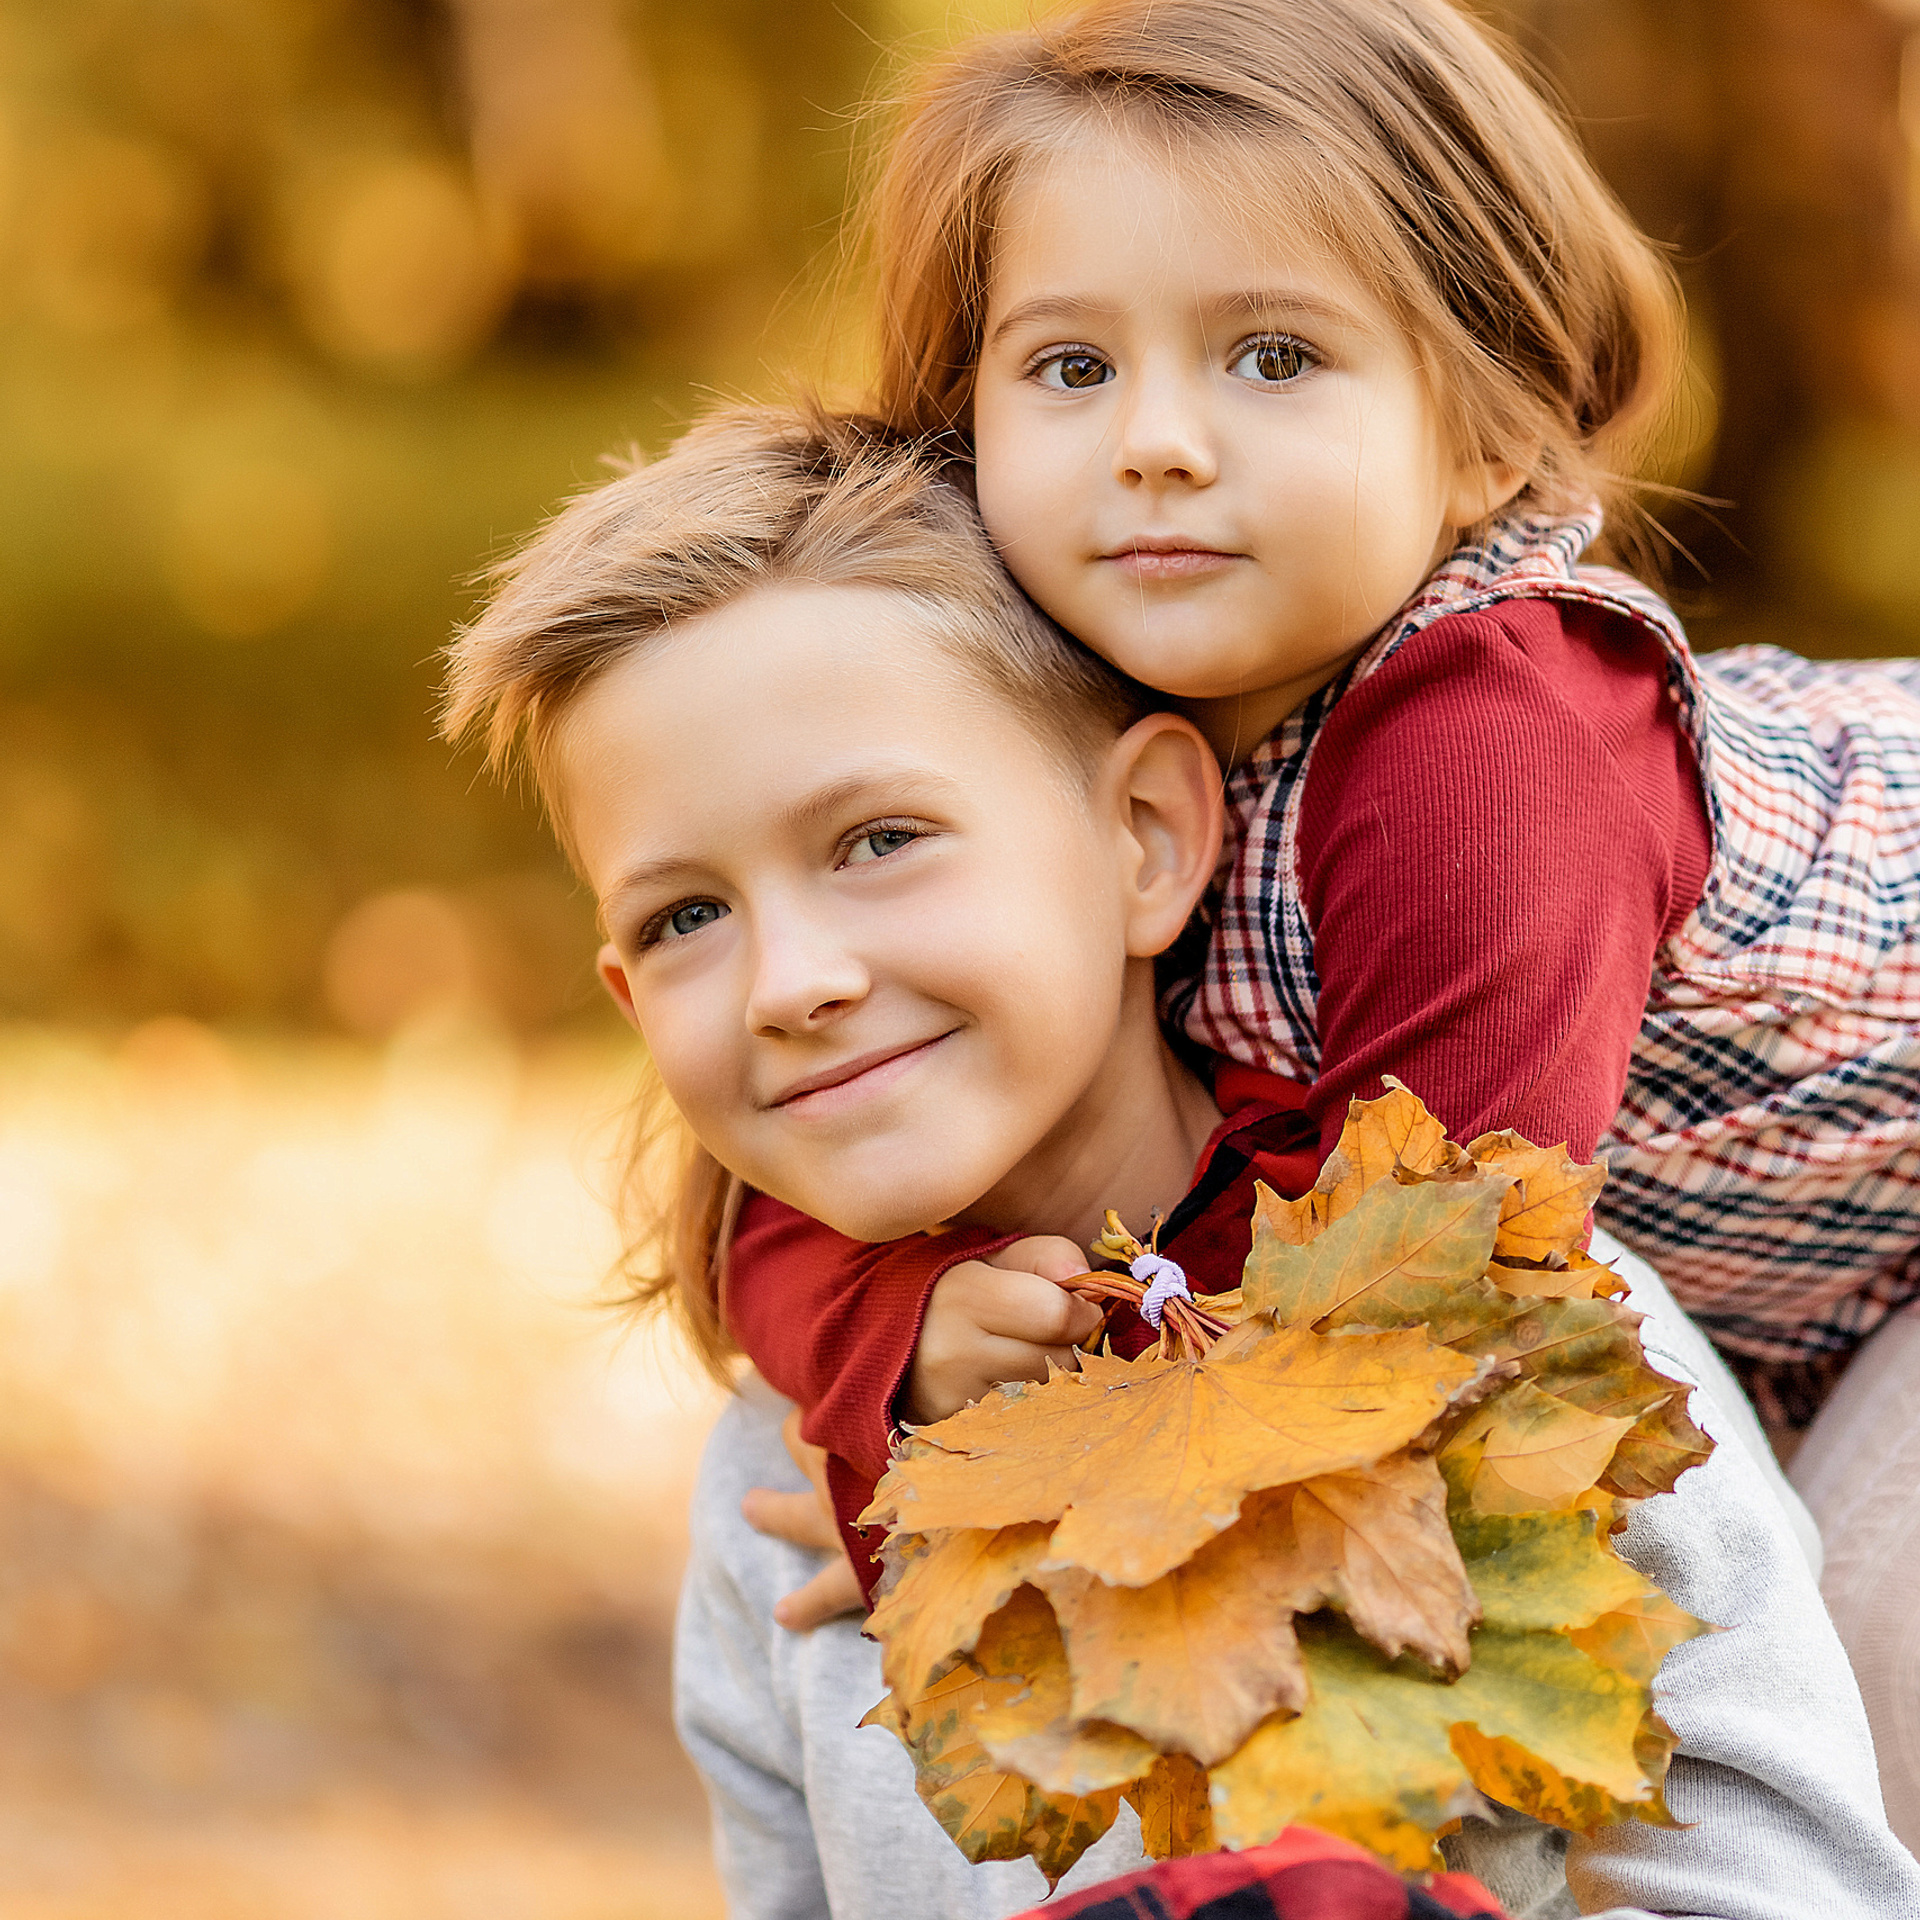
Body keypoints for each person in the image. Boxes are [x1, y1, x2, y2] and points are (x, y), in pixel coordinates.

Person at [440, 405, 1919, 1919]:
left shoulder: (1497, 1313)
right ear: (624, 993)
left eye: (880, 839)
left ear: (1145, 836)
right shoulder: (789, 1475)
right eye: (685, 917)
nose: (786, 982)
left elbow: (1796, 1886)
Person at [713, 0, 1920, 1835]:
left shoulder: (1494, 741)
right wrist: (897, 1349)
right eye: (1066, 369)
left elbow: (1416, 1278)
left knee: (1851, 1638)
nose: (1162, 445)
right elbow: (783, 1162)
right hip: (1750, 1282)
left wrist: (1015, 1475)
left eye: (1274, 356)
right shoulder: (1076, 726)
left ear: (1488, 439)